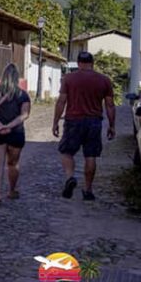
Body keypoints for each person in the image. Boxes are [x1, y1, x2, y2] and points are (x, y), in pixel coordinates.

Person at [53, 51, 115, 201]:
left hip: (73, 120)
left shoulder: (69, 79)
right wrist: (112, 125)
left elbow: (61, 101)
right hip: (94, 122)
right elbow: (110, 105)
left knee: (67, 152)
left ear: (79, 63)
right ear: (92, 63)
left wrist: (55, 121)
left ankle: (70, 177)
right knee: (91, 155)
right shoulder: (104, 80)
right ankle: (88, 190)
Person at [0, 63, 31, 205]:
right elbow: (25, 115)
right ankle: (12, 190)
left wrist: (0, 126)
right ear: (17, 77)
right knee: (13, 163)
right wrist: (9, 126)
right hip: (16, 132)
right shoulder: (22, 95)